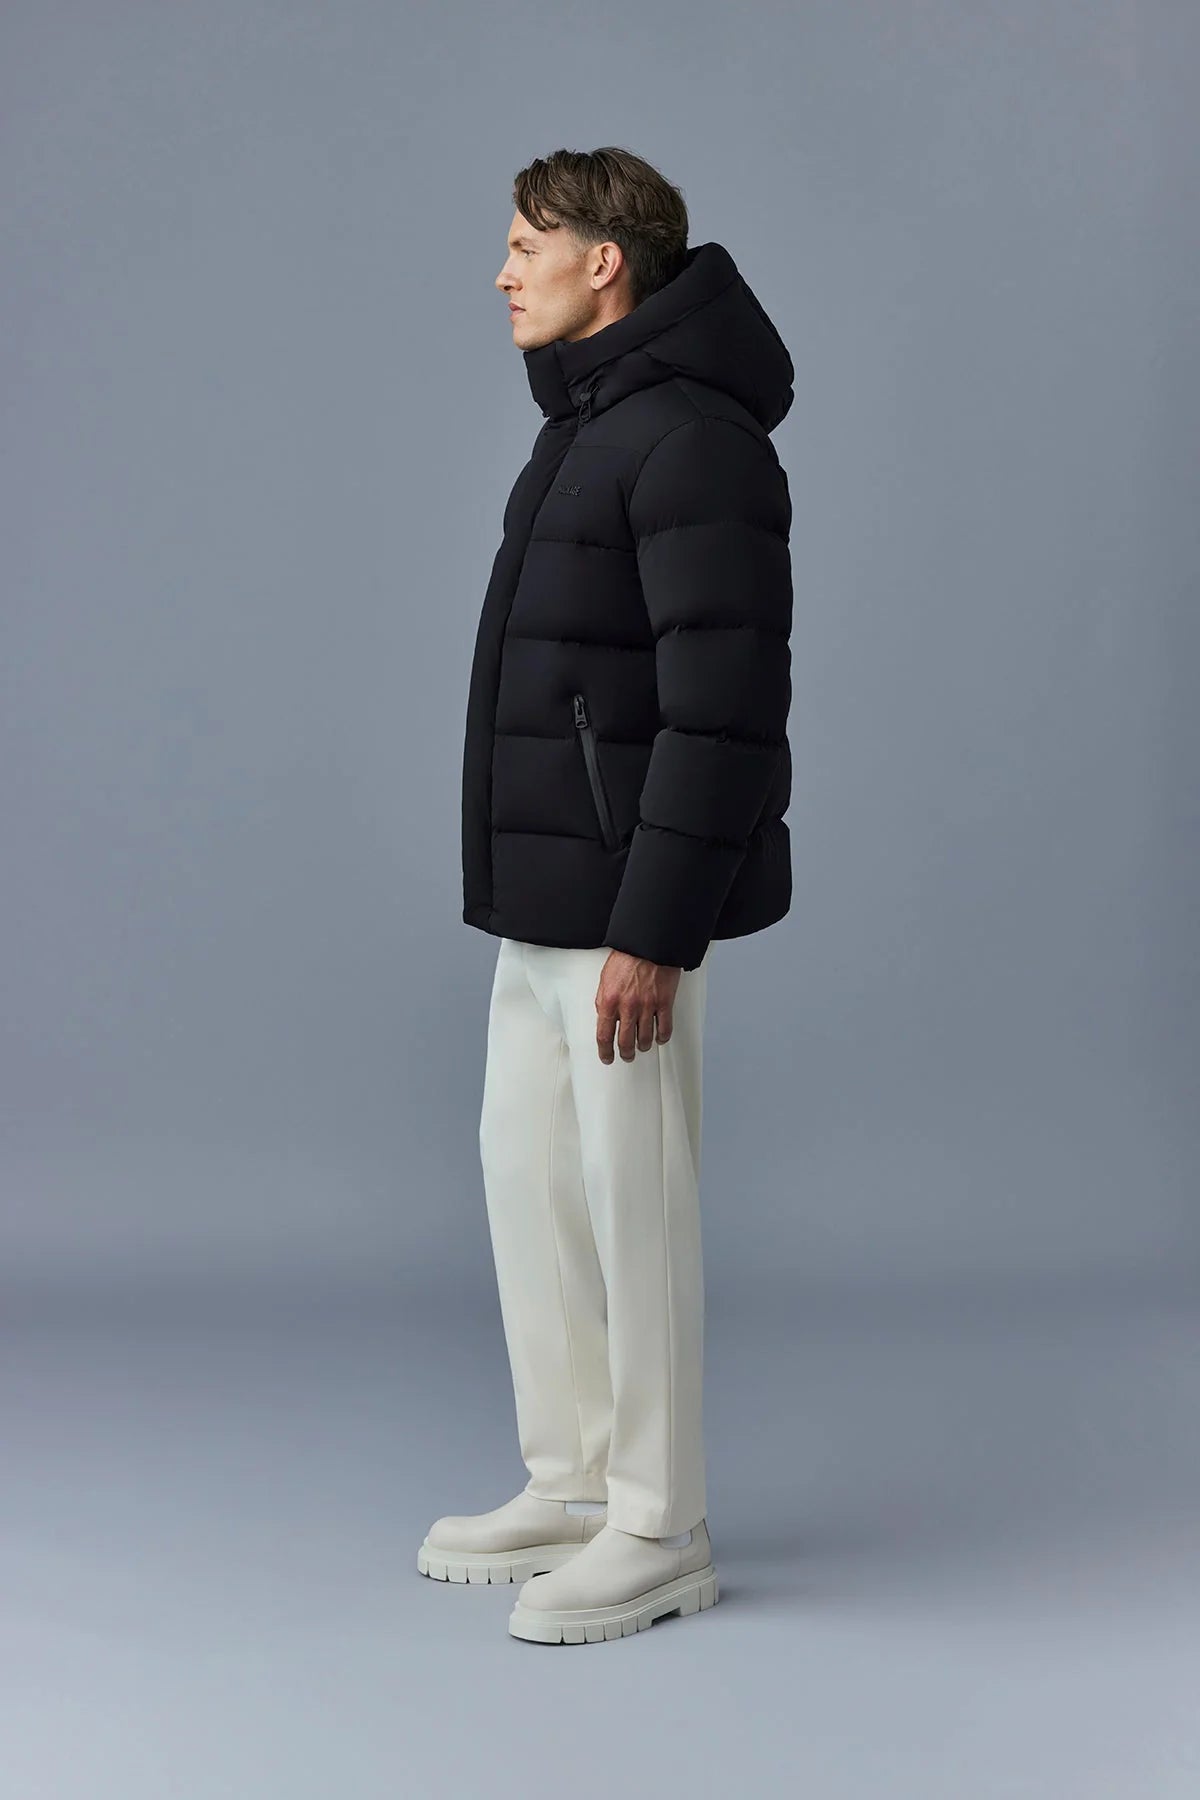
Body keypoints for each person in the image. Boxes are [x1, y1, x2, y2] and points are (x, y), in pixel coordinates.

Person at [418, 146, 795, 1645]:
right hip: (544, 903)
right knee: (530, 1184)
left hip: (625, 914)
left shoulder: (693, 441)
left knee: (634, 1206)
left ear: (604, 263)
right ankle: (572, 1481)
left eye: (526, 247)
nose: (504, 273)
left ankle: (660, 1520)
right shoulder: (584, 427)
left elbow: (725, 710)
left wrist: (656, 927)